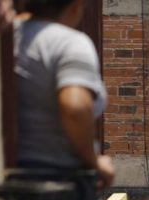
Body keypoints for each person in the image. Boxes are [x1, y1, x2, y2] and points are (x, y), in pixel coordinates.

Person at [15, 0, 114, 186]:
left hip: (11, 178)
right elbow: (75, 108)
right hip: (57, 179)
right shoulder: (70, 43)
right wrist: (94, 161)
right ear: (76, 6)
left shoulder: (8, 35)